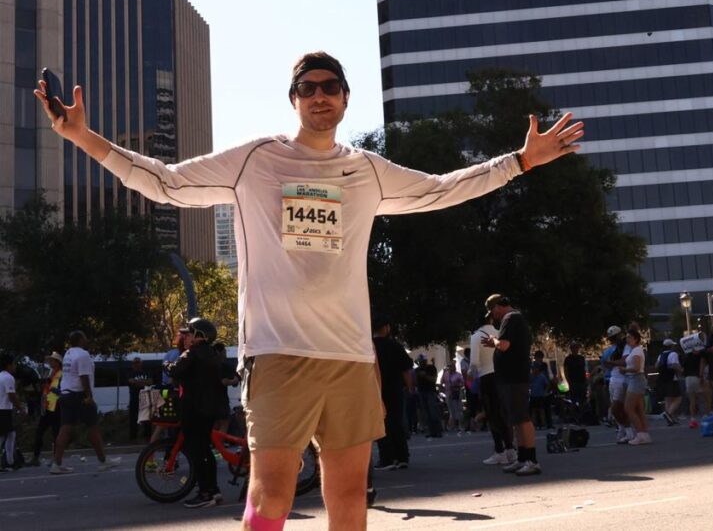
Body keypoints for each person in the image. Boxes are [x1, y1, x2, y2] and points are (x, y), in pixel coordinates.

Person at [37, 50, 583, 529]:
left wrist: (519, 162)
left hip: (347, 357)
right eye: (308, 87)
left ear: (346, 99)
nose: (319, 96)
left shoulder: (366, 170)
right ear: (294, 99)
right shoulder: (256, 159)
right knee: (271, 493)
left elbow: (440, 191)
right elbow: (165, 182)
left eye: (330, 87)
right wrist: (83, 136)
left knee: (348, 497)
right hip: (276, 355)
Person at [165, 318, 225, 508]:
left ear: (199, 335)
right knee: (205, 449)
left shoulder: (192, 353)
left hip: (193, 408)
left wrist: (166, 364)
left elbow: (175, 370)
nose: (186, 336)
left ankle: (205, 493)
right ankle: (214, 490)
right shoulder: (214, 353)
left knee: (196, 451)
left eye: (190, 333)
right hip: (210, 408)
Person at [483, 294, 541, 476]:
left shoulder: (511, 318)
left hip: (514, 377)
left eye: (493, 311)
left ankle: (532, 460)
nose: (494, 317)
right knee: (516, 419)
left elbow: (505, 345)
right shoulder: (514, 318)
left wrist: (494, 342)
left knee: (522, 418)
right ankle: (522, 458)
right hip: (511, 377)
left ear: (498, 306)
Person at [50, 331, 121, 474]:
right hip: (79, 395)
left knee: (65, 429)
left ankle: (56, 464)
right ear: (81, 340)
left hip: (65, 394)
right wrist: (89, 396)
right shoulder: (83, 355)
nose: (87, 339)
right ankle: (103, 461)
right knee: (92, 426)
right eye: (85, 337)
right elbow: (84, 378)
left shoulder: (68, 354)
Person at [470, 314, 515, 466]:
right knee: (504, 412)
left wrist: (470, 375)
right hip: (503, 375)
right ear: (490, 320)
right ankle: (510, 448)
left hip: (487, 377)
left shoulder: (476, 336)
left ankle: (499, 451)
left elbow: (474, 363)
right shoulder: (499, 333)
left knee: (492, 414)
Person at [372, 317, 413, 471]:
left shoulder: (369, 347)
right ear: (386, 328)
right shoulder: (395, 345)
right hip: (395, 388)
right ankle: (402, 456)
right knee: (397, 421)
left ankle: (387, 457)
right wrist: (410, 388)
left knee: (380, 424)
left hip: (376, 389)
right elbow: (406, 369)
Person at [29, 352, 63, 466]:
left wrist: (54, 390)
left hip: (56, 407)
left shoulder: (61, 374)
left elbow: (62, 391)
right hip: (48, 406)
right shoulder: (51, 373)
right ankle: (35, 457)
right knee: (40, 432)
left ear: (57, 362)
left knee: (56, 433)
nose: (50, 362)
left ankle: (55, 458)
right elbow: (47, 389)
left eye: (52, 360)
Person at [602, 326, 633, 443]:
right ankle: (623, 431)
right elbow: (606, 366)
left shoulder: (626, 347)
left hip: (622, 379)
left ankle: (628, 431)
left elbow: (624, 362)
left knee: (617, 408)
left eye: (615, 337)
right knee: (616, 408)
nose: (613, 340)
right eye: (612, 338)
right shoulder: (609, 350)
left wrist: (610, 362)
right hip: (612, 378)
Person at [621, 329, 651, 445]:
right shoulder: (634, 350)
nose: (627, 339)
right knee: (638, 409)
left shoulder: (637, 351)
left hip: (636, 379)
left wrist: (624, 369)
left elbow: (637, 368)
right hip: (635, 379)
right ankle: (644, 434)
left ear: (635, 339)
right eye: (627, 337)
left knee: (629, 408)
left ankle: (640, 434)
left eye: (629, 337)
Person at [0, 354, 25, 471]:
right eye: (14, 364)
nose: (15, 366)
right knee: (4, 436)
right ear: (9, 365)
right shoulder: (8, 378)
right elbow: (12, 396)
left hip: (3, 409)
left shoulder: (0, 376)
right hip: (4, 410)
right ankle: (9, 462)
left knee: (10, 434)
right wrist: (20, 408)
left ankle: (10, 461)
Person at [213, 343, 240, 434]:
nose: (225, 353)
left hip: (209, 399)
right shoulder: (221, 365)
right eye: (224, 351)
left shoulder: (209, 363)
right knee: (225, 421)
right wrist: (234, 381)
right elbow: (223, 381)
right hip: (220, 399)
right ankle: (219, 443)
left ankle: (212, 444)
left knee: (216, 422)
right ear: (220, 352)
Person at [414, 356, 443, 439]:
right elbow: (416, 382)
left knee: (433, 411)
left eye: (423, 361)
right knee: (426, 413)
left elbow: (434, 379)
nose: (422, 363)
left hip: (430, 392)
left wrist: (425, 375)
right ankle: (430, 431)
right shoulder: (417, 370)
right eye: (420, 361)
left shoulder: (431, 368)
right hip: (421, 392)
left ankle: (438, 431)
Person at [655, 339, 682, 426]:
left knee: (668, 399)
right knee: (678, 398)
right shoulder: (673, 354)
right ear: (671, 346)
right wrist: (680, 370)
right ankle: (669, 413)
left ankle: (670, 419)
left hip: (662, 378)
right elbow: (674, 365)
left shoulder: (661, 355)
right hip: (671, 378)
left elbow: (656, 365)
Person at [680, 340, 706, 429]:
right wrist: (701, 376)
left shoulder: (687, 356)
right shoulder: (701, 355)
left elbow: (682, 369)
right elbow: (701, 366)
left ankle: (693, 420)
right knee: (702, 398)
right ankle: (704, 417)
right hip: (697, 377)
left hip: (688, 378)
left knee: (692, 400)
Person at [127, 357, 154, 440]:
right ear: (132, 365)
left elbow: (150, 382)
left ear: (141, 364)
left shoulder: (147, 372)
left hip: (145, 398)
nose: (136, 364)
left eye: (138, 362)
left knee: (146, 419)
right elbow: (131, 381)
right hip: (134, 399)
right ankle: (133, 437)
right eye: (135, 363)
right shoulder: (130, 373)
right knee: (133, 419)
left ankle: (148, 437)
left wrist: (137, 382)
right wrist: (143, 383)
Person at [563, 342, 587, 410]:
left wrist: (585, 380)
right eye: (574, 347)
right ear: (571, 349)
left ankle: (582, 414)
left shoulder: (581, 358)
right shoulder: (568, 359)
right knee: (573, 400)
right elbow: (565, 370)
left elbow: (583, 369)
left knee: (582, 400)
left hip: (582, 381)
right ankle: (574, 414)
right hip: (573, 381)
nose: (576, 349)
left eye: (577, 347)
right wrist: (568, 381)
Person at [528, 362, 549, 429]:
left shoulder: (542, 376)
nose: (534, 370)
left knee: (541, 411)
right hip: (533, 396)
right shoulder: (531, 376)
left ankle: (543, 424)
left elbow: (547, 384)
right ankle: (534, 425)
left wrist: (545, 392)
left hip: (540, 396)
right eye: (533, 368)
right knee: (534, 411)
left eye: (535, 368)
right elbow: (528, 384)